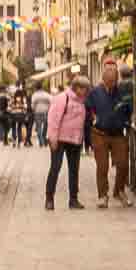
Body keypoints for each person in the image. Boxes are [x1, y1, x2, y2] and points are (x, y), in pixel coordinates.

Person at [85, 58, 134, 208]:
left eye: (114, 81)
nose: (112, 84)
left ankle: (118, 191)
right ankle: (102, 195)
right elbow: (88, 109)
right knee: (102, 166)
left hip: (118, 133)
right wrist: (94, 118)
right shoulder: (94, 92)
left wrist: (127, 119)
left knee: (123, 164)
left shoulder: (122, 91)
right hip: (99, 133)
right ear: (104, 79)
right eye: (109, 81)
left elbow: (128, 108)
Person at [44, 77, 89, 212]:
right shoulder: (63, 98)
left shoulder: (82, 102)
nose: (85, 91)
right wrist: (53, 138)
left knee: (74, 170)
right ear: (76, 88)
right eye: (83, 89)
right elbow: (53, 118)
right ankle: (49, 199)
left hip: (75, 140)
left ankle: (73, 199)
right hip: (60, 139)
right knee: (55, 168)